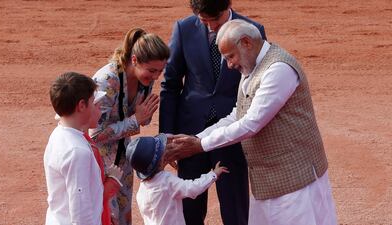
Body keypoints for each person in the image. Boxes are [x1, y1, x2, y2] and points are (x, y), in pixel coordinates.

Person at [165, 19, 338, 225]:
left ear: (246, 43)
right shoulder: (252, 68)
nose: (229, 65)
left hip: (296, 182)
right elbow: (237, 114)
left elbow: (251, 123)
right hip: (269, 182)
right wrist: (196, 138)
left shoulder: (278, 69)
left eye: (230, 57)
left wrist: (200, 146)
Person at [159, 1, 266, 224]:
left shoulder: (251, 31)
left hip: (232, 133)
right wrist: (166, 135)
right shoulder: (183, 28)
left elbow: (259, 83)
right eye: (202, 20)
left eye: (214, 20)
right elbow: (170, 85)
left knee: (236, 209)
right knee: (190, 210)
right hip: (189, 134)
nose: (209, 26)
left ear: (227, 6)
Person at [90, 28, 170, 225]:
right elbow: (94, 134)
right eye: (152, 70)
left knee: (124, 215)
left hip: (123, 157)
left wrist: (141, 118)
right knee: (106, 215)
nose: (156, 77)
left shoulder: (145, 80)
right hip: (98, 161)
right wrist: (136, 120)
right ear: (134, 60)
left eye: (160, 71)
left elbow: (142, 118)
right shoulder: (107, 80)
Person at [125, 134, 229, 225]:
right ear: (162, 159)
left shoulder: (141, 192)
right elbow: (192, 188)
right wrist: (213, 174)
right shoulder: (167, 181)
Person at [44, 72, 103, 225]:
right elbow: (81, 213)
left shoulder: (58, 134)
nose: (97, 106)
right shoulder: (77, 151)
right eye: (92, 101)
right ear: (82, 106)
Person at [84, 90, 124, 225]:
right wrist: (112, 181)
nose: (101, 112)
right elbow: (89, 199)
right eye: (96, 106)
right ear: (82, 108)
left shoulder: (80, 141)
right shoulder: (83, 150)